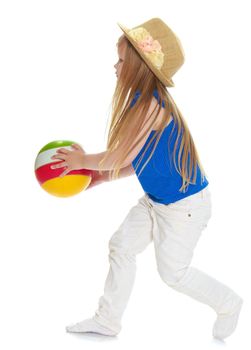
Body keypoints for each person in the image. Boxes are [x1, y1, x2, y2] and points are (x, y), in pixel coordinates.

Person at [51, 18, 243, 340]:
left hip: (184, 207)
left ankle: (229, 302)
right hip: (157, 201)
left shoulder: (149, 107)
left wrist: (81, 161)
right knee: (121, 245)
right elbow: (138, 159)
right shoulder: (139, 101)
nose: (115, 65)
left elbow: (118, 156)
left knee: (174, 274)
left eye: (121, 60)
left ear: (139, 67)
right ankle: (108, 319)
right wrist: (103, 176)